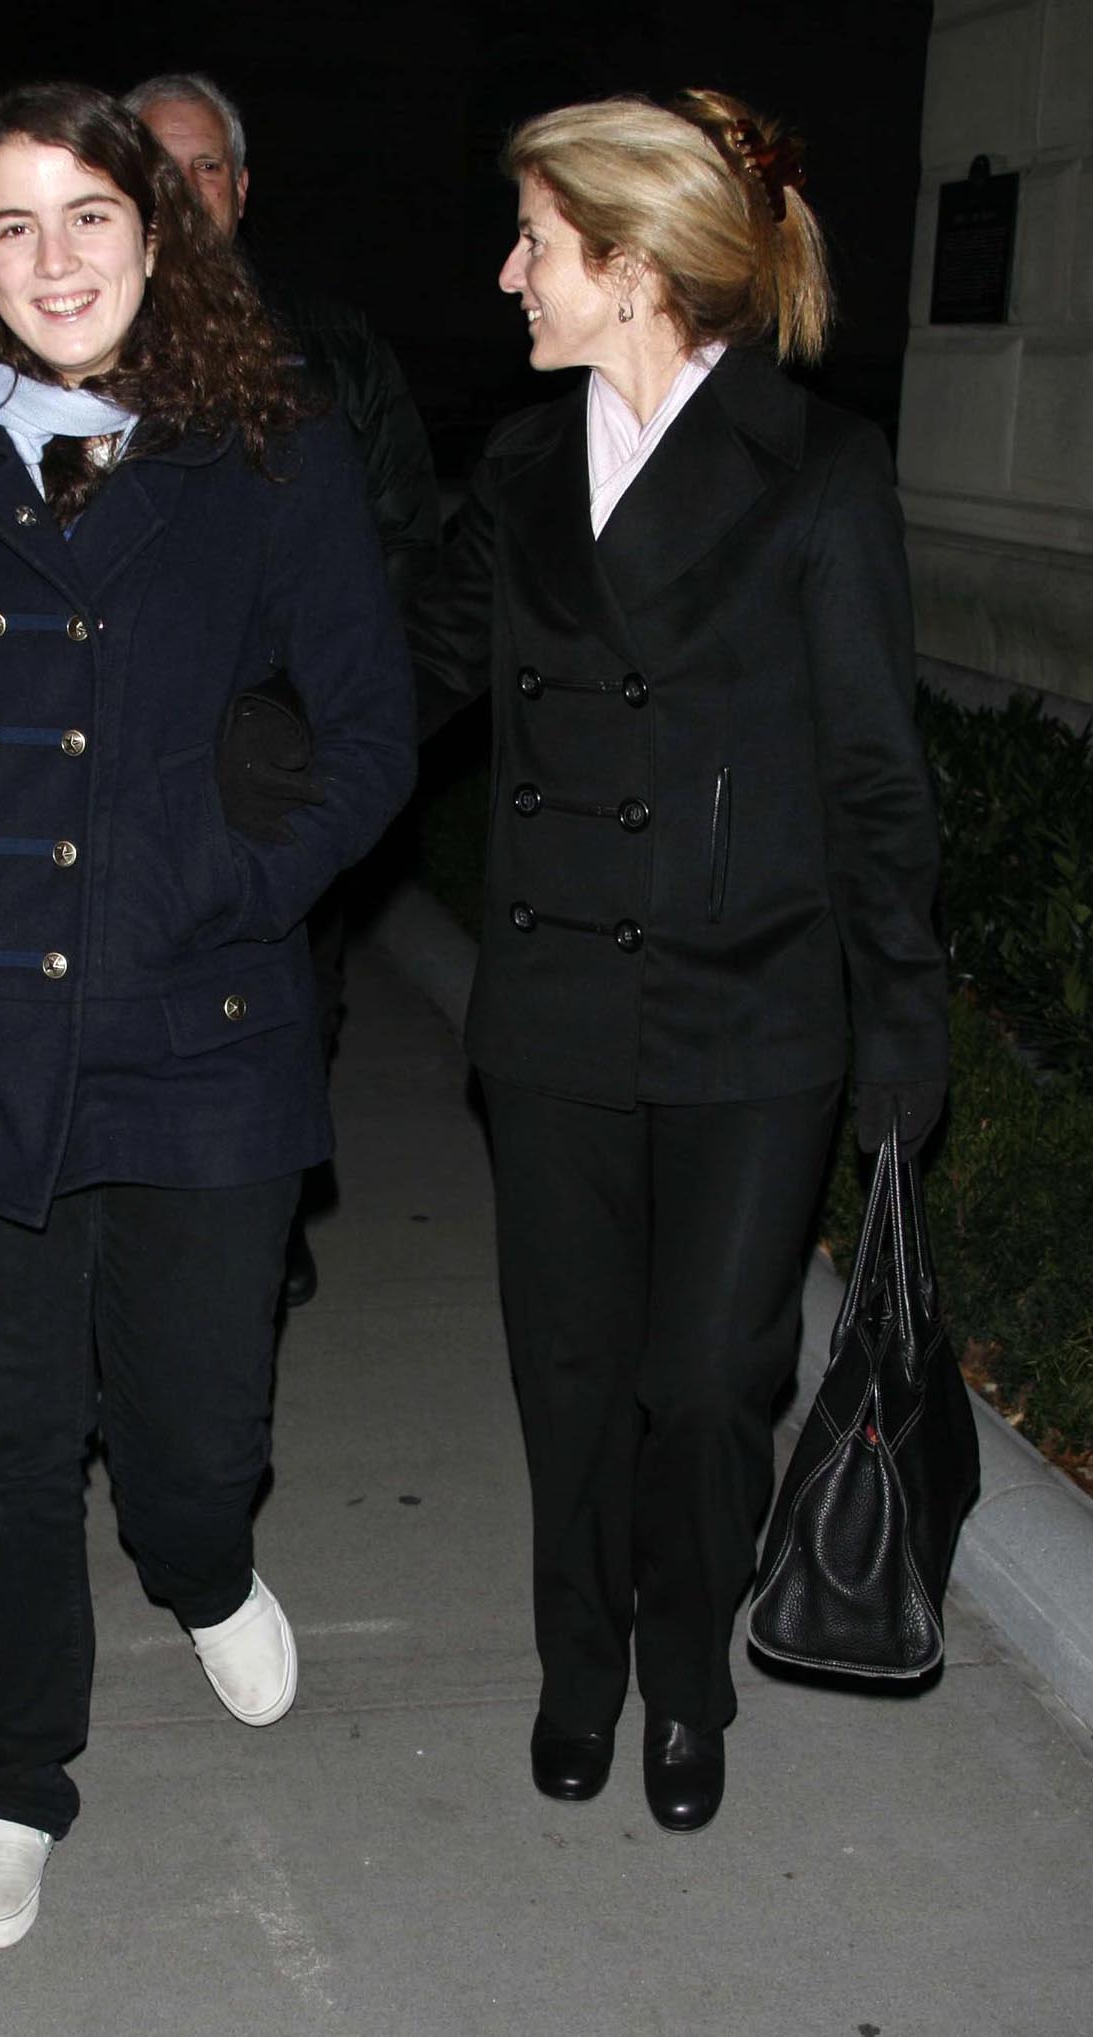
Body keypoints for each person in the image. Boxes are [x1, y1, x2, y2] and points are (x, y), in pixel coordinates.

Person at [0, 82, 415, 1946]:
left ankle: (204, 1559)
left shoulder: (268, 452)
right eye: (11, 227)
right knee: (7, 1434)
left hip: (201, 1018)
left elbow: (374, 737)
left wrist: (218, 885)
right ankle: (14, 1784)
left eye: (87, 215)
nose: (53, 259)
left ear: (158, 235)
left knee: (183, 1435)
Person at [406, 91, 948, 1833]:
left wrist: (899, 1013)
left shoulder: (817, 471)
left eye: (536, 247)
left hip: (755, 1004)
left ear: (629, 269)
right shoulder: (514, 467)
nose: (508, 278)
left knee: (708, 1377)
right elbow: (406, 663)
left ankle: (687, 1671)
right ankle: (581, 1660)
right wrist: (252, 735)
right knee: (566, 1370)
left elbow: (873, 767)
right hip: (560, 1005)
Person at [125, 69, 440, 1305]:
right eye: (156, 164)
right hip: (122, 773)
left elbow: (403, 534)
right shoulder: (65, 338)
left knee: (292, 994)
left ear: (241, 191)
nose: (185, 189)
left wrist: (322, 707)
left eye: (206, 166)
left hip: (279, 768)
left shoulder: (330, 347)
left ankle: (259, 1212)